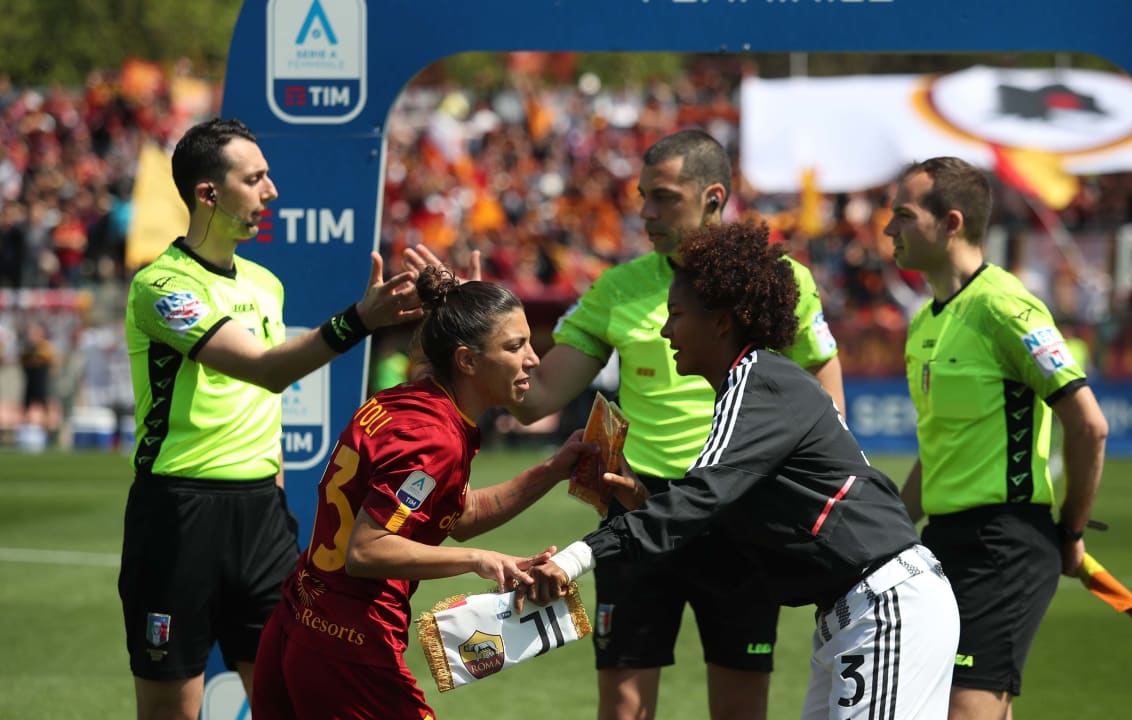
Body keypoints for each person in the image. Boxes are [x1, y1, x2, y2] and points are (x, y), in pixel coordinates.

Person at [527, 221, 959, 720]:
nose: (665, 331)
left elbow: (700, 498)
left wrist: (576, 558)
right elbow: (719, 508)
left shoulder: (760, 384)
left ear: (721, 320)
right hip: (855, 612)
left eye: (677, 315)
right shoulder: (752, 387)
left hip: (883, 607)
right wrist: (647, 502)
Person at [511, 128, 844, 720]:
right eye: (643, 196)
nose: (646, 212)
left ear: (713, 197)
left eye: (664, 196)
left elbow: (825, 395)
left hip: (740, 509)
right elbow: (534, 400)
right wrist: (477, 329)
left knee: (740, 711)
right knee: (623, 714)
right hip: (636, 509)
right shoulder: (617, 287)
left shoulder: (774, 281)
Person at [119, 118, 427, 720]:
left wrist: (278, 498)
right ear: (209, 194)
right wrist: (358, 320)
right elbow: (261, 370)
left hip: (263, 519)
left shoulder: (265, 285)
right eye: (254, 178)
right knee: (169, 709)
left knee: (291, 697)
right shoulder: (161, 286)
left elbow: (263, 407)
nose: (272, 192)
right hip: (178, 516)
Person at [252, 265, 595, 720]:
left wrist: (553, 470)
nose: (533, 358)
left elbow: (461, 514)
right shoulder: (433, 437)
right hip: (350, 639)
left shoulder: (413, 402)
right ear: (468, 361)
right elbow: (368, 551)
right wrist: (482, 561)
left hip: (301, 617)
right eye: (515, 346)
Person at [882, 157, 1109, 720]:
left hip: (1005, 545)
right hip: (943, 543)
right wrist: (885, 534)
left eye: (903, 216)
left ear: (951, 222)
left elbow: (1088, 424)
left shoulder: (1007, 307)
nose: (888, 230)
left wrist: (1072, 531)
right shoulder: (922, 323)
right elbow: (936, 452)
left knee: (967, 707)